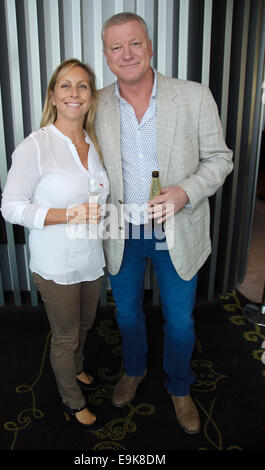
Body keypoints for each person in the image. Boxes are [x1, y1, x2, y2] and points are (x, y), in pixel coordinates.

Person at [95, 12, 233, 435]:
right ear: (106, 55)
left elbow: (220, 159)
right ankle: (134, 371)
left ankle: (179, 387)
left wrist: (184, 192)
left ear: (150, 46)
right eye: (116, 47)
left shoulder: (193, 96)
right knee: (129, 316)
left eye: (134, 43)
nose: (126, 54)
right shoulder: (95, 103)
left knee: (180, 320)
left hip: (178, 228)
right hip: (123, 230)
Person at [1, 58, 109, 431]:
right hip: (56, 262)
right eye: (65, 85)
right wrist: (68, 214)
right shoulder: (37, 145)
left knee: (86, 324)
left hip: (91, 258)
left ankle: (77, 369)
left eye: (82, 86)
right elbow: (11, 207)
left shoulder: (93, 142)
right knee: (66, 336)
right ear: (53, 94)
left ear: (91, 97)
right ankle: (71, 400)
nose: (74, 93)